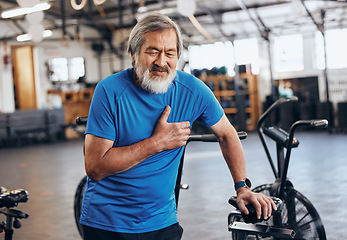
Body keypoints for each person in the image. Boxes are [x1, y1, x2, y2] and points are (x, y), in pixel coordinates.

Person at [80, 13, 276, 240]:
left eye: (169, 53)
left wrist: (242, 188)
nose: (161, 62)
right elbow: (95, 167)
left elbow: (226, 134)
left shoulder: (192, 90)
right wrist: (157, 143)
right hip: (107, 224)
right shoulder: (110, 91)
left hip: (162, 221)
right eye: (152, 51)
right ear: (133, 54)